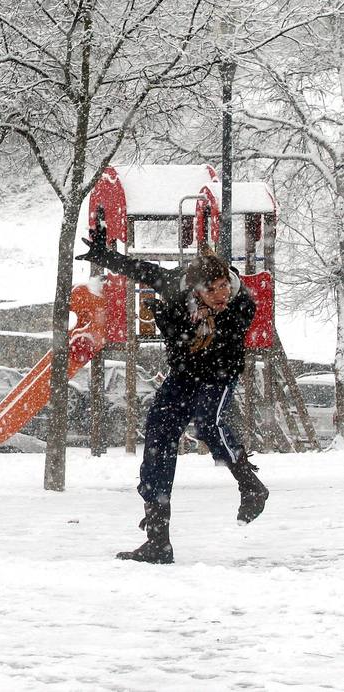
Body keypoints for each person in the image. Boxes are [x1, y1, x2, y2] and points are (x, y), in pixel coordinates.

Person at [77, 214, 268, 564]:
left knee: (207, 422)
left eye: (224, 285)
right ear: (195, 290)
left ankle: (250, 485)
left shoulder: (241, 302)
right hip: (183, 375)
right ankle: (158, 539)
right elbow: (140, 269)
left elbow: (220, 350)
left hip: (218, 374)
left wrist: (192, 324)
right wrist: (105, 256)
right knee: (158, 435)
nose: (221, 294)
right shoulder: (175, 286)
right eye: (212, 290)